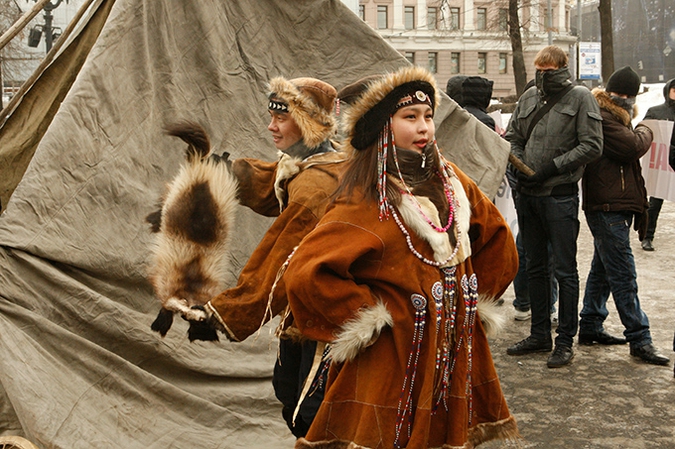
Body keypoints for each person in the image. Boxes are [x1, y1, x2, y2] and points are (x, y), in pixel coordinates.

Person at [282, 66, 519, 448]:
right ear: (382, 127)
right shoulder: (366, 196)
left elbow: (498, 242)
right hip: (393, 357)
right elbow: (308, 273)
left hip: (450, 350)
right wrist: (370, 319)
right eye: (410, 117)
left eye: (428, 116)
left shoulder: (453, 180)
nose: (424, 127)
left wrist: (465, 305)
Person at [188, 76, 349, 437]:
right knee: (290, 391)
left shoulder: (317, 186)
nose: (270, 126)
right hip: (308, 306)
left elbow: (279, 262)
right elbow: (274, 179)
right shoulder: (320, 158)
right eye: (271, 116)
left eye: (281, 118)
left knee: (312, 414)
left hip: (330, 316)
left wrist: (225, 311)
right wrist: (222, 175)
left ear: (307, 123)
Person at [505, 45, 603, 368]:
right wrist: (517, 167)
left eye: (548, 67)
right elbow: (513, 135)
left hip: (559, 195)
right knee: (534, 264)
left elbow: (592, 144)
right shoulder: (529, 96)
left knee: (564, 269)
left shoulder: (581, 97)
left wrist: (552, 168)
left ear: (560, 66)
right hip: (528, 195)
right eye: (539, 67)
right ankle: (539, 333)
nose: (543, 72)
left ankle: (564, 340)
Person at [579, 66, 670, 366]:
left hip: (613, 204)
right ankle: (640, 337)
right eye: (626, 96)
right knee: (623, 275)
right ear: (616, 94)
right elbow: (631, 148)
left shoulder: (614, 116)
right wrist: (646, 129)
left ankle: (591, 324)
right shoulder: (604, 117)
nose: (629, 100)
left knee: (604, 269)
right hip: (607, 206)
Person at [640, 78, 675, 251]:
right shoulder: (655, 111)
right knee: (655, 202)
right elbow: (644, 132)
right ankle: (647, 235)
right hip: (662, 164)